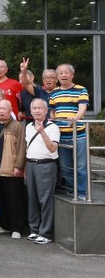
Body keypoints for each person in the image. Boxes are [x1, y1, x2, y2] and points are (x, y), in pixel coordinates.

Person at [49, 63, 89, 199]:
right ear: (57, 76)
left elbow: (82, 107)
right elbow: (52, 111)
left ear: (72, 75)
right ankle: (72, 190)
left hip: (78, 135)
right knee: (65, 168)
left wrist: (75, 119)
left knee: (81, 166)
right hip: (61, 136)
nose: (64, 75)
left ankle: (82, 192)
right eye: (61, 73)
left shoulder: (81, 90)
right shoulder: (54, 92)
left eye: (66, 72)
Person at [25, 99, 60, 245]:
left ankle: (45, 232)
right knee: (32, 198)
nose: (37, 111)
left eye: (40, 108)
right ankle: (34, 229)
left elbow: (53, 148)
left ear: (46, 111)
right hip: (30, 164)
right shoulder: (28, 126)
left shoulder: (53, 127)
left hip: (46, 165)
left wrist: (42, 132)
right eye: (34, 108)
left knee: (45, 200)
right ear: (31, 111)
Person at [0, 99, 26, 239]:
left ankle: (17, 228)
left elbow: (22, 147)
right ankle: (5, 225)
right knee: (1, 198)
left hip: (11, 168)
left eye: (4, 108)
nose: (1, 111)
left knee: (14, 199)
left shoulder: (17, 126)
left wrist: (19, 166)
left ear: (10, 110)